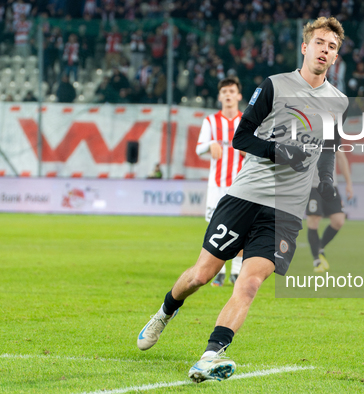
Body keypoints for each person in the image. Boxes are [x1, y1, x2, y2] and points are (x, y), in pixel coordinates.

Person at [136, 16, 348, 383]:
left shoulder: (338, 102)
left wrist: (327, 181)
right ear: (304, 46)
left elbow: (329, 148)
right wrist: (281, 152)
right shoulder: (276, 86)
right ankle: (165, 312)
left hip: (286, 211)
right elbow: (241, 137)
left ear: (336, 56)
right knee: (202, 275)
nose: (324, 50)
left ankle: (208, 357)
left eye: (332, 46)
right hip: (245, 195)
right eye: (319, 43)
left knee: (248, 284)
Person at [196, 77, 245, 286]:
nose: (228, 95)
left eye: (232, 91)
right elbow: (198, 148)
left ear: (239, 96)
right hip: (216, 186)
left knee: (241, 227)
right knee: (215, 229)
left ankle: (235, 271)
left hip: (241, 184)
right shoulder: (210, 121)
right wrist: (210, 145)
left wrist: (248, 149)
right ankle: (218, 272)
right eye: (224, 91)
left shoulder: (247, 121)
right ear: (219, 96)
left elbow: (259, 151)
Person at [306, 150, 353, 272]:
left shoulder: (331, 134)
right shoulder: (306, 133)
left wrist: (349, 183)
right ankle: (317, 260)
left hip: (331, 184)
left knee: (338, 221)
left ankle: (319, 246)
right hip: (312, 186)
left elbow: (341, 158)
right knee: (314, 220)